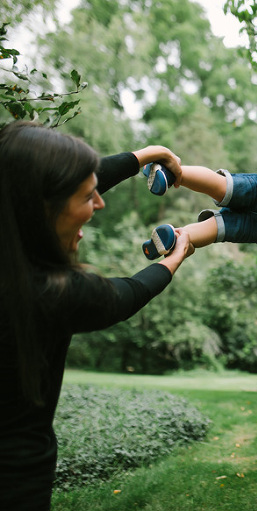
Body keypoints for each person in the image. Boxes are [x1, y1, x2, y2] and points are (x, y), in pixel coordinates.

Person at [0, 121, 193, 510]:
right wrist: (174, 258)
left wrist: (149, 154)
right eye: (89, 197)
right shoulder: (52, 294)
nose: (99, 203)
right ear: (44, 208)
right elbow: (128, 294)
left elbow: (51, 182)